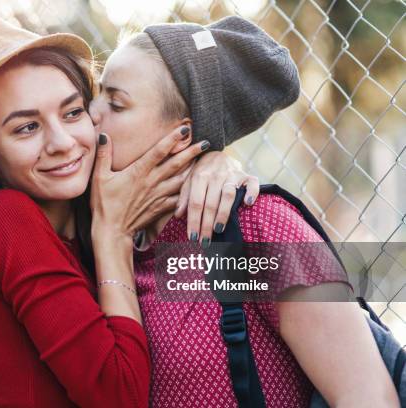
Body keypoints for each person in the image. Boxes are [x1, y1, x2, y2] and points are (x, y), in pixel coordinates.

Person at [0, 17, 261, 408]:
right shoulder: (3, 219)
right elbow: (118, 396)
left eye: (72, 113)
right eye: (27, 128)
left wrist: (212, 160)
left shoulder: (89, 219)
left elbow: (279, 281)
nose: (63, 143)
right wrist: (113, 237)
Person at [89, 16, 400, 407]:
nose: (90, 113)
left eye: (115, 103)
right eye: (97, 94)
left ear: (182, 135)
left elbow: (367, 397)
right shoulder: (108, 238)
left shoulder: (252, 230)